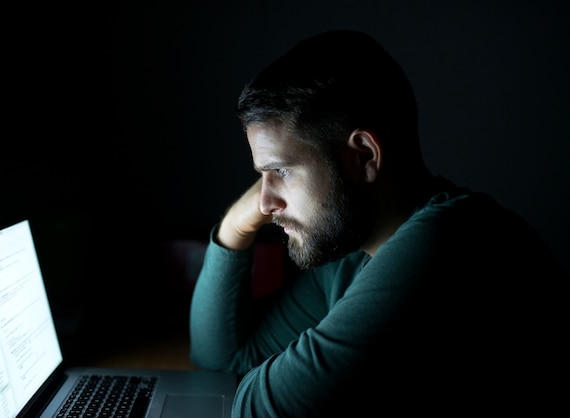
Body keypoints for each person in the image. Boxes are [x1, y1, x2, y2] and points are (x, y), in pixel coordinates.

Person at [188, 30, 568, 417]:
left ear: (364, 156)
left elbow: (264, 410)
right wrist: (237, 224)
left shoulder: (449, 241)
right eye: (262, 176)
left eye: (281, 170)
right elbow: (224, 360)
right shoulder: (350, 250)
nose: (265, 203)